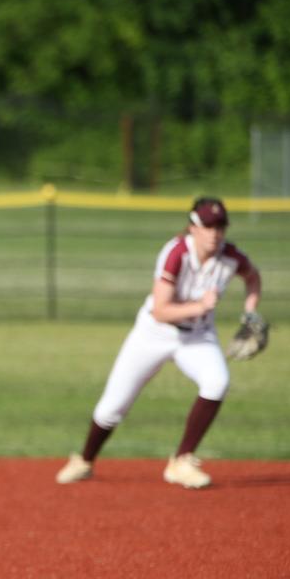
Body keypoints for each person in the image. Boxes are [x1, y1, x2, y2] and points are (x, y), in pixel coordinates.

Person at [55, 196, 263, 489]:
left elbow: (253, 277)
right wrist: (199, 306)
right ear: (193, 226)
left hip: (198, 336)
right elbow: (160, 310)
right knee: (111, 408)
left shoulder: (231, 257)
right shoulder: (176, 252)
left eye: (220, 226)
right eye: (208, 225)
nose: (215, 233)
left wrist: (250, 311)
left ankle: (181, 461)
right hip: (153, 333)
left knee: (217, 381)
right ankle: (85, 460)